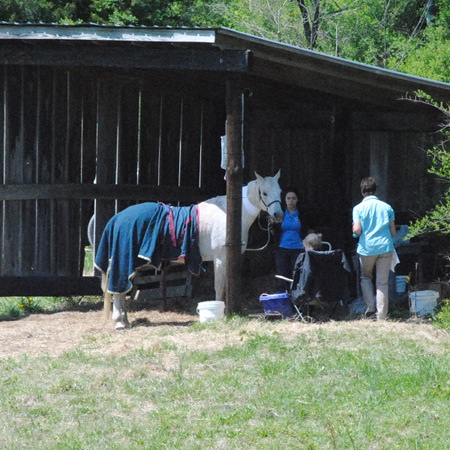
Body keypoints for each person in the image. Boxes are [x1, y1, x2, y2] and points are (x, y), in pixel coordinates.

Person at [352, 177, 396, 320]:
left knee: (366, 277)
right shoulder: (387, 207)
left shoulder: (358, 208)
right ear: (376, 190)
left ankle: (370, 309)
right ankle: (382, 316)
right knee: (382, 282)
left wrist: (354, 232)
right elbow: (393, 232)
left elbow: (357, 230)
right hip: (385, 247)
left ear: (362, 191)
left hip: (367, 249)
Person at [273, 187, 308, 291]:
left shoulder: (302, 214)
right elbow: (275, 230)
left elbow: (307, 229)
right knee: (282, 275)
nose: (291, 201)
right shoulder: (280, 213)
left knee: (296, 274)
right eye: (288, 198)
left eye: (293, 198)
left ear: (297, 200)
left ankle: (296, 300)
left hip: (298, 248)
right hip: (282, 248)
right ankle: (283, 301)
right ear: (285, 200)